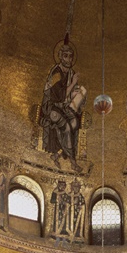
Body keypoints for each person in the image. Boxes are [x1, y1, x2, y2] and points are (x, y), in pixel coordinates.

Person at [40, 43, 86, 172]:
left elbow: (67, 96)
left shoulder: (70, 72)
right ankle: (73, 162)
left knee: (74, 123)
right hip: (51, 108)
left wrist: (77, 93)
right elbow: (59, 96)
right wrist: (73, 84)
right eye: (66, 56)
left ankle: (57, 154)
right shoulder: (56, 72)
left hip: (64, 107)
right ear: (60, 57)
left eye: (71, 56)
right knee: (66, 127)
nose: (69, 59)